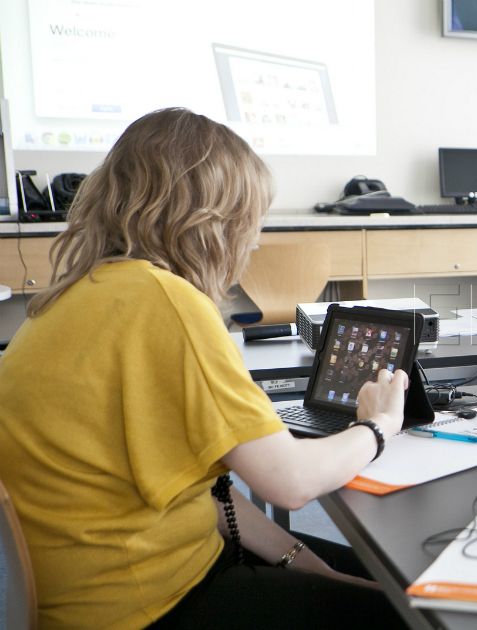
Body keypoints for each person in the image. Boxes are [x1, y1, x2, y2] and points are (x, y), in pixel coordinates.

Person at [0, 109, 407, 629]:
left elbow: (204, 494)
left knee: (382, 579)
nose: (253, 242)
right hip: (150, 603)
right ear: (214, 222)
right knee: (418, 607)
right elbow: (291, 482)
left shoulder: (78, 295)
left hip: (116, 583)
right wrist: (378, 427)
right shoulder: (164, 301)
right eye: (250, 222)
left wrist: (309, 567)